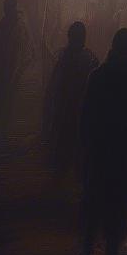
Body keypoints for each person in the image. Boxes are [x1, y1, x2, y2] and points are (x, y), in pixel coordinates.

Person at [78, 28, 127, 255]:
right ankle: (110, 248)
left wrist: (85, 145)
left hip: (102, 147)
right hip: (123, 150)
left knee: (95, 195)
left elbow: (86, 115)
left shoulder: (98, 75)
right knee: (118, 197)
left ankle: (89, 244)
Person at [42, 21, 99, 176]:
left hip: (70, 105)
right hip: (76, 106)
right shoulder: (89, 59)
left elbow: (55, 83)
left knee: (65, 137)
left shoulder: (66, 56)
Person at [0, 0, 34, 146]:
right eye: (7, 9)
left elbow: (26, 51)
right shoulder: (1, 26)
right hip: (0, 72)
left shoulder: (19, 27)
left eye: (10, 8)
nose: (9, 11)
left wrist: (19, 70)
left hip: (12, 71)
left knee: (6, 103)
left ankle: (2, 134)